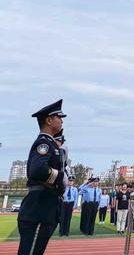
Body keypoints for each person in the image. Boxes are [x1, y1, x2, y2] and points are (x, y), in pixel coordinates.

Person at [17, 99, 67, 255]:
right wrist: (60, 176)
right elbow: (38, 170)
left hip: (45, 207)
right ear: (49, 120)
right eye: (59, 117)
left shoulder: (50, 144)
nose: (61, 120)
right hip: (39, 209)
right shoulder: (44, 143)